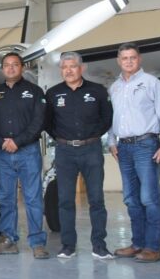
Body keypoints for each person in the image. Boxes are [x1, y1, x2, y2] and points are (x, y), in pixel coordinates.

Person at [107, 43, 160, 263]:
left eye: (132, 58)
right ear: (119, 61)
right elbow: (112, 118)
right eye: (124, 58)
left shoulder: (151, 83)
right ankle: (138, 244)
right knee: (131, 199)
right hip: (123, 147)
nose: (128, 61)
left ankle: (153, 247)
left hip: (147, 145)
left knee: (149, 198)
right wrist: (111, 141)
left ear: (139, 59)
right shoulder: (114, 87)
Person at [44, 52, 113, 260]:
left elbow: (107, 118)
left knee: (97, 200)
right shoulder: (53, 94)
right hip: (64, 151)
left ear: (81, 68)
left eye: (72, 66)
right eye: (64, 67)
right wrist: (60, 138)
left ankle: (99, 246)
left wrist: (93, 136)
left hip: (91, 149)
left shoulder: (97, 90)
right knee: (65, 200)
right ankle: (68, 246)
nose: (68, 70)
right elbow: (47, 122)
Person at [0, 52, 49, 259]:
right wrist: (1, 142)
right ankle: (8, 240)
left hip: (28, 152)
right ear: (2, 69)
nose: (11, 68)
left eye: (15, 65)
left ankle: (37, 243)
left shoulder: (35, 91)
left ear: (22, 67)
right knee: (6, 198)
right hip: (3, 152)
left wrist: (18, 141)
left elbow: (38, 122)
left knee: (33, 198)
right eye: (7, 65)